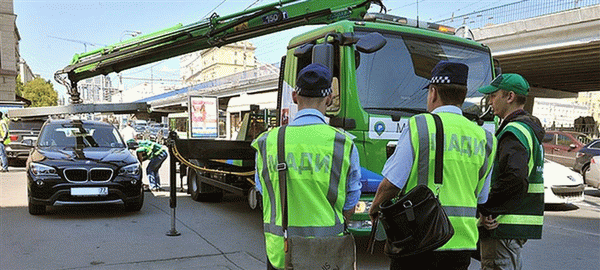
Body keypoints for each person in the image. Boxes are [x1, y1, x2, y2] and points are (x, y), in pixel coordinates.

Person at [368, 61, 497, 270]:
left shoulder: (421, 126)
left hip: (419, 241)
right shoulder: (485, 138)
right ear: (462, 96)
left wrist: (375, 208)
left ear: (433, 92)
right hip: (461, 244)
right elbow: (482, 197)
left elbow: (392, 184)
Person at [251, 63, 362, 270]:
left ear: (294, 97)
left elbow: (263, 191)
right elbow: (351, 199)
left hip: (281, 252)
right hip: (328, 253)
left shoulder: (267, 142)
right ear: (329, 99)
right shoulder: (343, 143)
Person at [477, 74, 545, 270]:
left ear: (510, 97)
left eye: (493, 95)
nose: (490, 101)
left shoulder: (513, 132)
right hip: (511, 224)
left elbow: (515, 177)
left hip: (501, 226)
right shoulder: (526, 129)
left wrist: (487, 208)